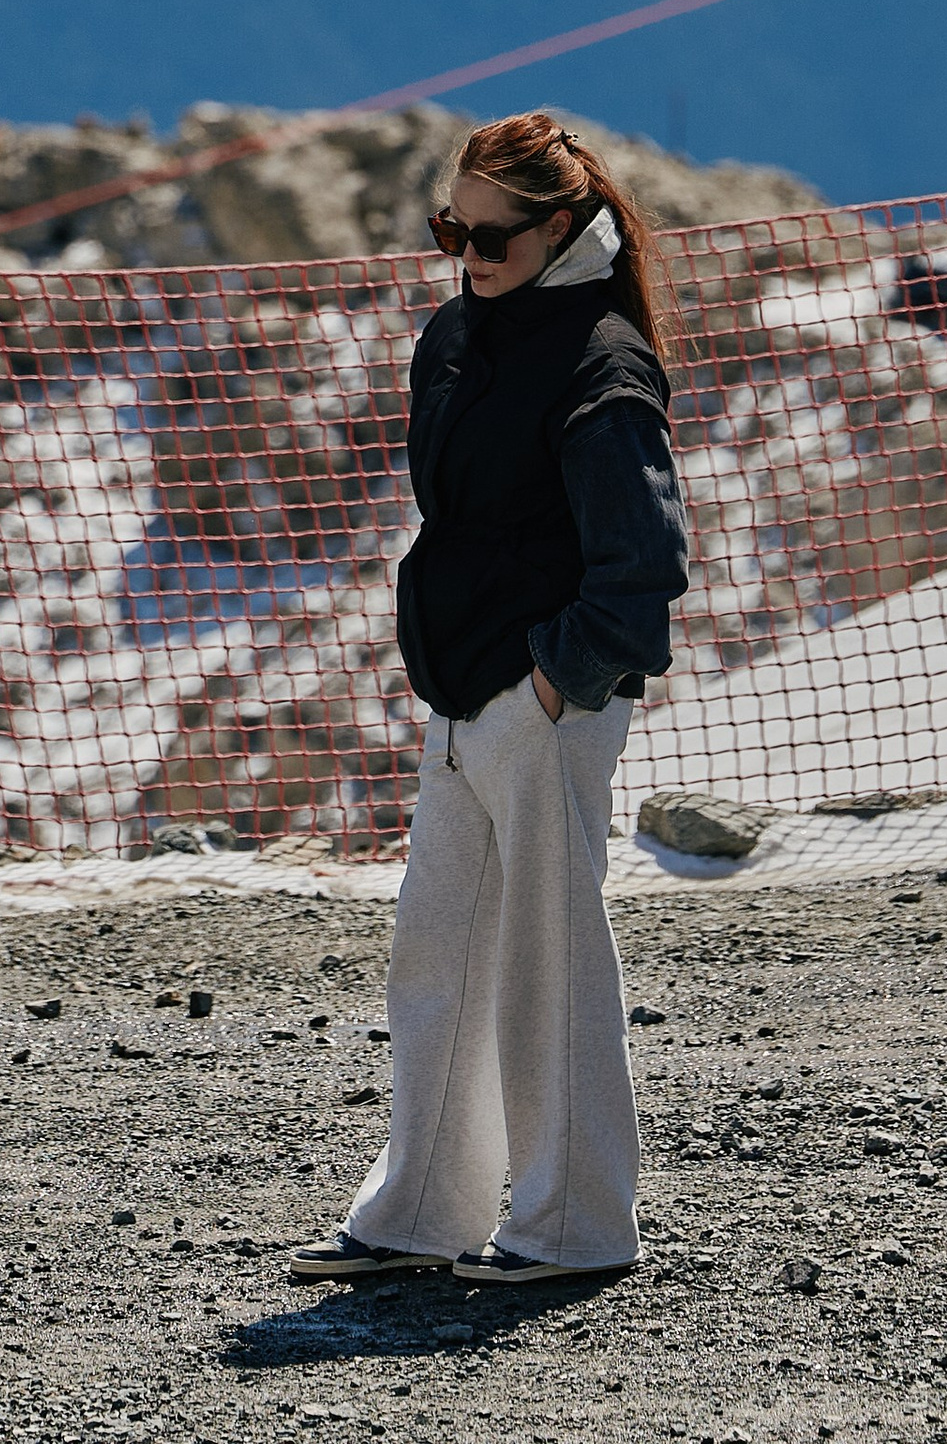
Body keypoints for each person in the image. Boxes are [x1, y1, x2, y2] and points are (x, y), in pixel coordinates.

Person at [289, 109, 689, 1290]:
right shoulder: (459, 331)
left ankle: (574, 1230)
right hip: (462, 694)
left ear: (560, 225)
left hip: (540, 700)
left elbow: (645, 569)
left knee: (546, 967)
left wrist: (552, 685)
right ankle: (418, 1214)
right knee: (437, 954)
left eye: (490, 236)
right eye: (447, 228)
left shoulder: (603, 360)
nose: (465, 253)